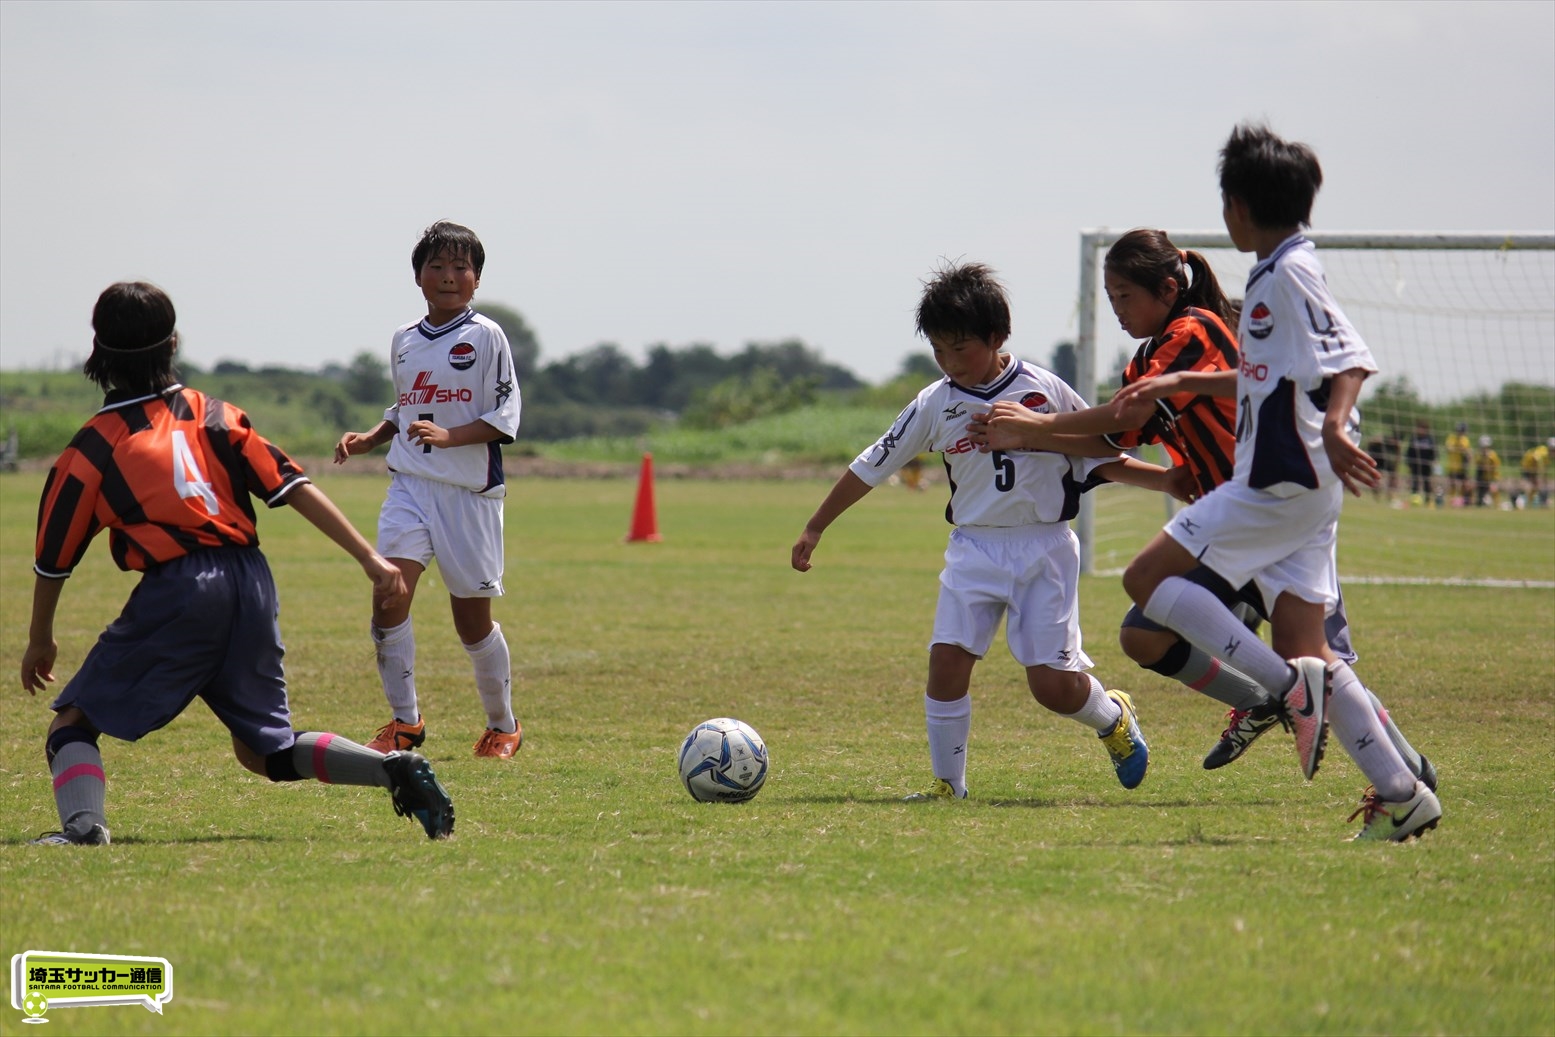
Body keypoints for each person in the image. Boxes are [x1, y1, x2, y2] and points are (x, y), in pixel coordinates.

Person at [968, 229, 1434, 791]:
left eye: (1125, 296)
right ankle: (1272, 698)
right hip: (1227, 520)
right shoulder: (1147, 356)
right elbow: (1121, 432)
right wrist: (1030, 438)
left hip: (1267, 512)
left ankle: (1404, 770)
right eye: (1110, 297)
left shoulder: (1196, 332)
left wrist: (1036, 426)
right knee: (1146, 634)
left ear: (1167, 289)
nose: (1117, 309)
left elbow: (1118, 422)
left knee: (1319, 657)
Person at [21, 282, 454, 845]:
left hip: (180, 587)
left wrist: (40, 639)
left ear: (97, 353)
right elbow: (294, 485)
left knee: (72, 722)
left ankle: (82, 829)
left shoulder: (92, 448)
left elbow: (54, 559)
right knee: (264, 750)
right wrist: (370, 559)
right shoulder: (217, 415)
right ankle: (391, 768)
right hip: (250, 580)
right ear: (174, 343)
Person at [1117, 123, 1441, 841]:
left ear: (1237, 204)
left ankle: (1285, 691)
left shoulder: (1290, 272)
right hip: (1301, 485)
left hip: (1279, 481)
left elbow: (1349, 356)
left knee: (1144, 581)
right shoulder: (1274, 269)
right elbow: (1267, 375)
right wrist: (1179, 378)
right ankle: (1401, 791)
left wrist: (1332, 423)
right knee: (1311, 646)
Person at [791, 261, 1182, 800]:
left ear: (999, 337)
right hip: (973, 547)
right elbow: (873, 463)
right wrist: (816, 526)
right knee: (947, 662)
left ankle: (1112, 717)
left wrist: (1165, 480)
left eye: (962, 349)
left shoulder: (1043, 392)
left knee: (1051, 688)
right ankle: (948, 785)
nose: (952, 364)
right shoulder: (936, 402)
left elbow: (1101, 452)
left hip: (1043, 548)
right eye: (939, 351)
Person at [336, 221, 524, 759]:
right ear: (418, 276)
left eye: (460, 267)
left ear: (477, 279)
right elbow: (409, 405)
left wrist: (450, 437)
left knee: (472, 622)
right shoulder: (404, 339)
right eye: (437, 266)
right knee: (389, 592)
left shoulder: (487, 336)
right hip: (411, 487)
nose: (448, 276)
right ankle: (405, 723)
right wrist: (373, 437)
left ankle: (503, 726)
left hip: (469, 495)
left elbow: (504, 416)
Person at [1403, 420, 1437, 504]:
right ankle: (1414, 498)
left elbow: (1434, 451)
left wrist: (1434, 461)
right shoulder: (1414, 438)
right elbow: (1409, 451)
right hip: (1415, 464)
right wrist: (1408, 463)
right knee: (1415, 482)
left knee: (1427, 482)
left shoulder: (1430, 439)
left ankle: (1428, 500)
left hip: (1426, 464)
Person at [1443, 422, 1472, 504]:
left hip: (1463, 467)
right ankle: (1450, 501)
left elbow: (1467, 451)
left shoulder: (1465, 440)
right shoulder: (1451, 438)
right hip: (1453, 466)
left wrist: (1468, 454)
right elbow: (1448, 448)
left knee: (1465, 485)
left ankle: (1464, 501)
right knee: (1453, 484)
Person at [1472, 435, 1501, 507]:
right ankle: (1479, 504)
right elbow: (1477, 465)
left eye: (1486, 447)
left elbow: (1496, 466)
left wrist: (1488, 468)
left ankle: (1497, 505)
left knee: (1494, 490)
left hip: (1492, 477)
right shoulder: (1478, 455)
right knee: (1480, 493)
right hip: (1482, 478)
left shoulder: (1493, 455)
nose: (1484, 449)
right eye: (1482, 447)